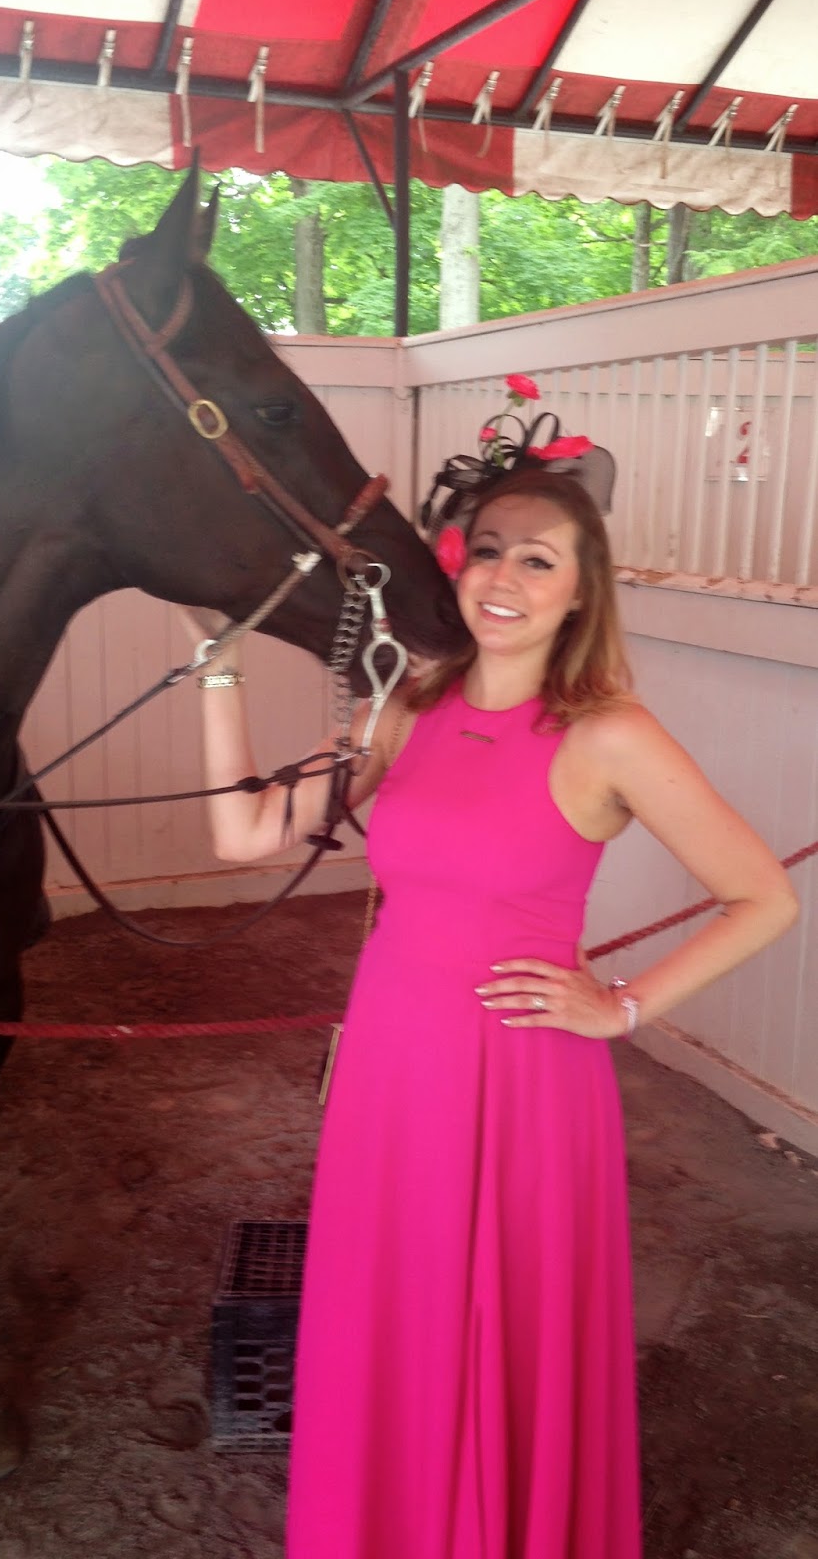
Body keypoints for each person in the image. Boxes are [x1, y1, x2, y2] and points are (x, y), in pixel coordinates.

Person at [180, 401, 799, 1559]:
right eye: (491, 548)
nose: (504, 575)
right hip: (389, 1063)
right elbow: (248, 835)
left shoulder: (608, 734)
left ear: (580, 589)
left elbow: (764, 895)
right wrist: (216, 672)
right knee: (393, 1311)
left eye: (540, 557)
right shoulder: (411, 704)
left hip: (521, 1080)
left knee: (503, 1321)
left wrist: (620, 1006)